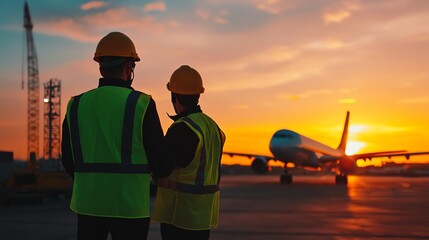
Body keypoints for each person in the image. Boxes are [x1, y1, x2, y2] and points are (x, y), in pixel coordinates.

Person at [61, 31, 164, 240]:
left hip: (88, 204)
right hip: (129, 206)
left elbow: (68, 159)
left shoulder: (76, 104)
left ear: (100, 66)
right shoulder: (141, 103)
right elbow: (161, 163)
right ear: (129, 67)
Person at [152, 65, 226, 240]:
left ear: (173, 96)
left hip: (179, 215)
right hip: (203, 217)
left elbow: (163, 167)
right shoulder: (213, 127)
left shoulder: (182, 128)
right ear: (197, 96)